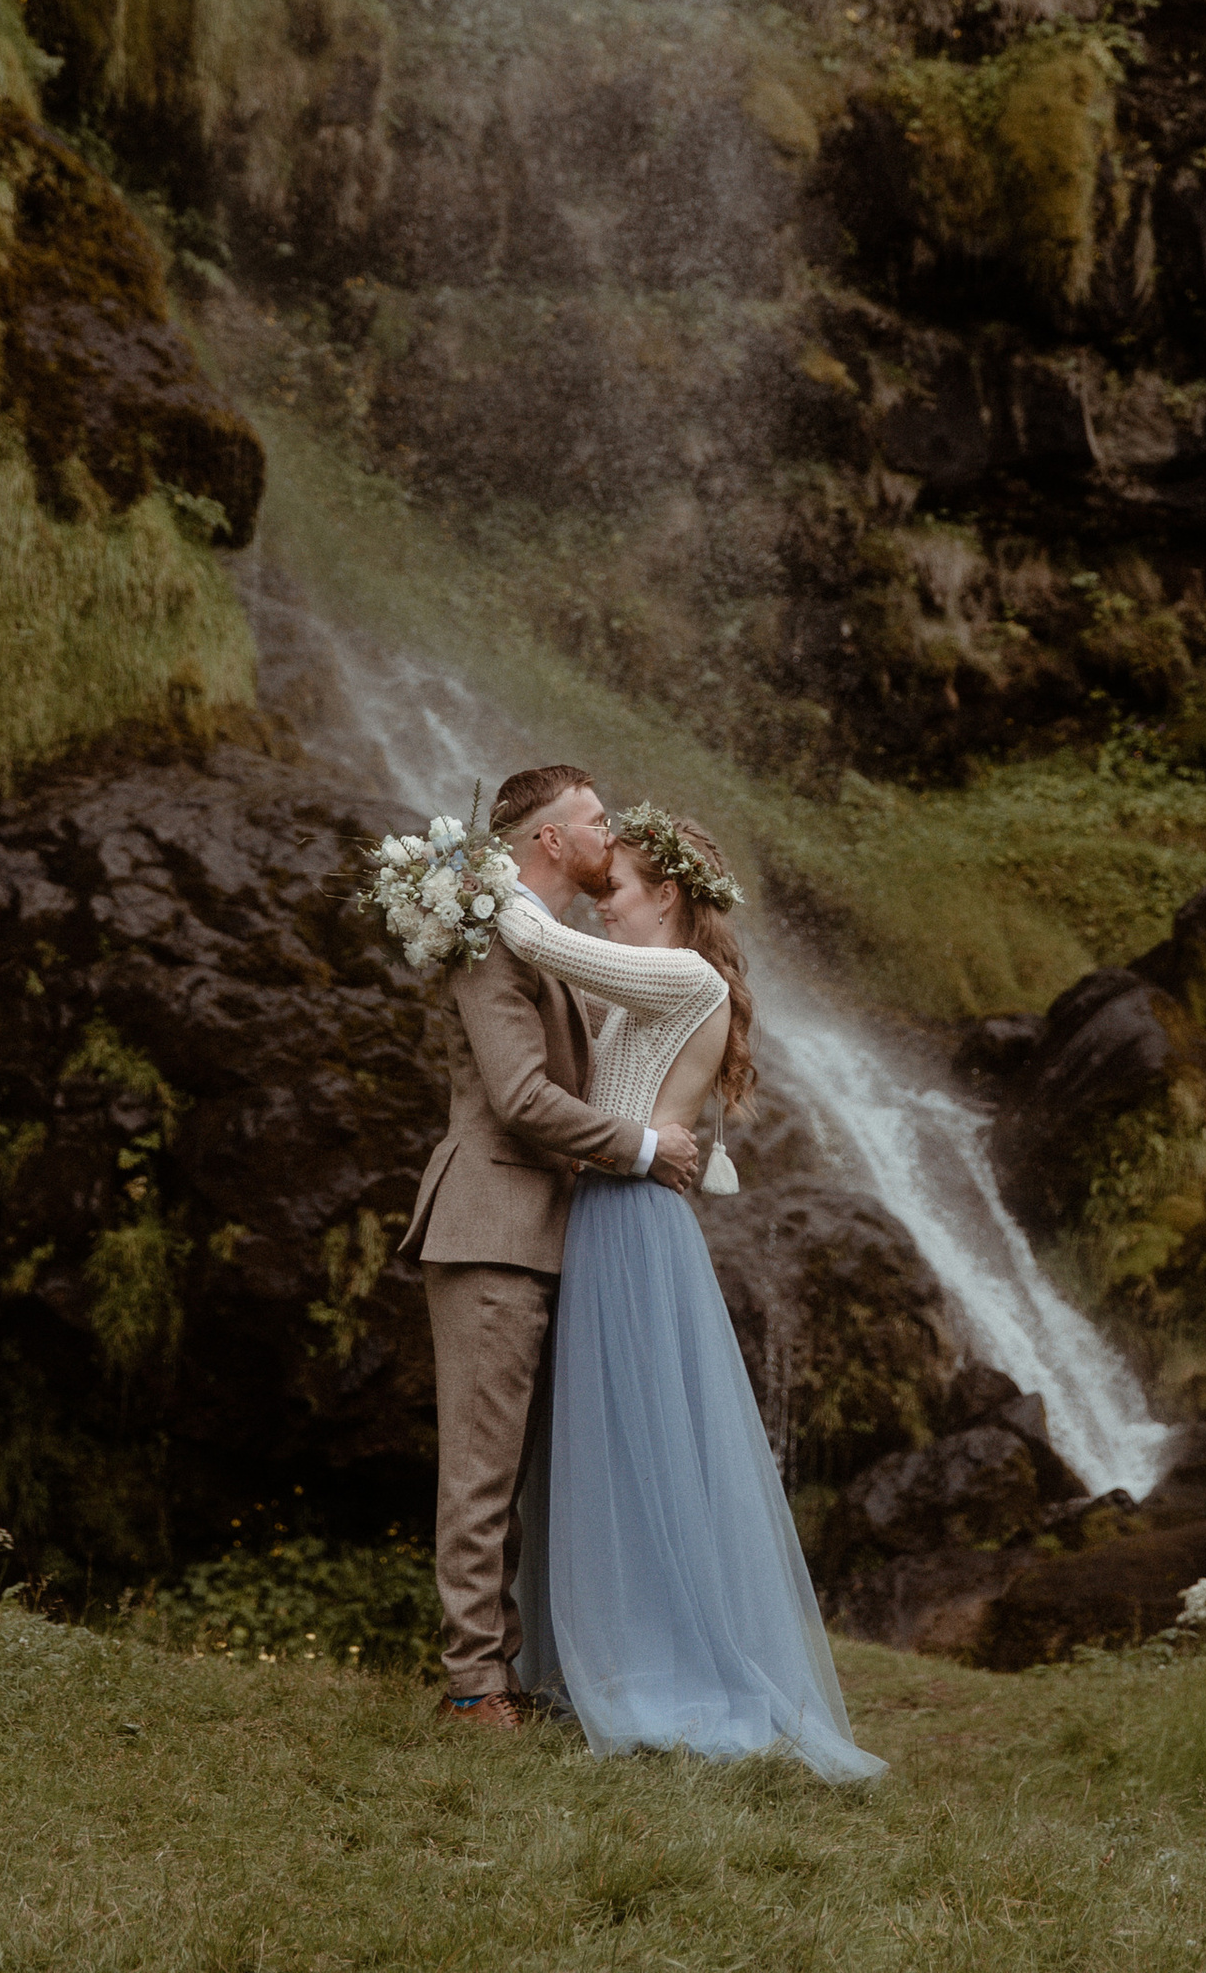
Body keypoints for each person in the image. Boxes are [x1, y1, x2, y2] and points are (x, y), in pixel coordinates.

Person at [501, 806, 883, 1784]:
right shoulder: (660, 986)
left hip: (631, 1226)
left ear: (665, 894)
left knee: (642, 1446)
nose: (603, 913)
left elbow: (536, 938)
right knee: (613, 1444)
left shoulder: (681, 975)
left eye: (615, 892)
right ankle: (624, 1650)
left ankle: (663, 1668)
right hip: (613, 1213)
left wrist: (467, 876)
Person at [397, 764, 699, 1733]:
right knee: (480, 1471)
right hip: (490, 1225)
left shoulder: (554, 946)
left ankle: (505, 1672)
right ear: (549, 843)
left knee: (517, 1474)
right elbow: (521, 1100)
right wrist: (647, 1150)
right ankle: (473, 1688)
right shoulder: (492, 937)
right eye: (595, 820)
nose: (612, 833)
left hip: (538, 1232)